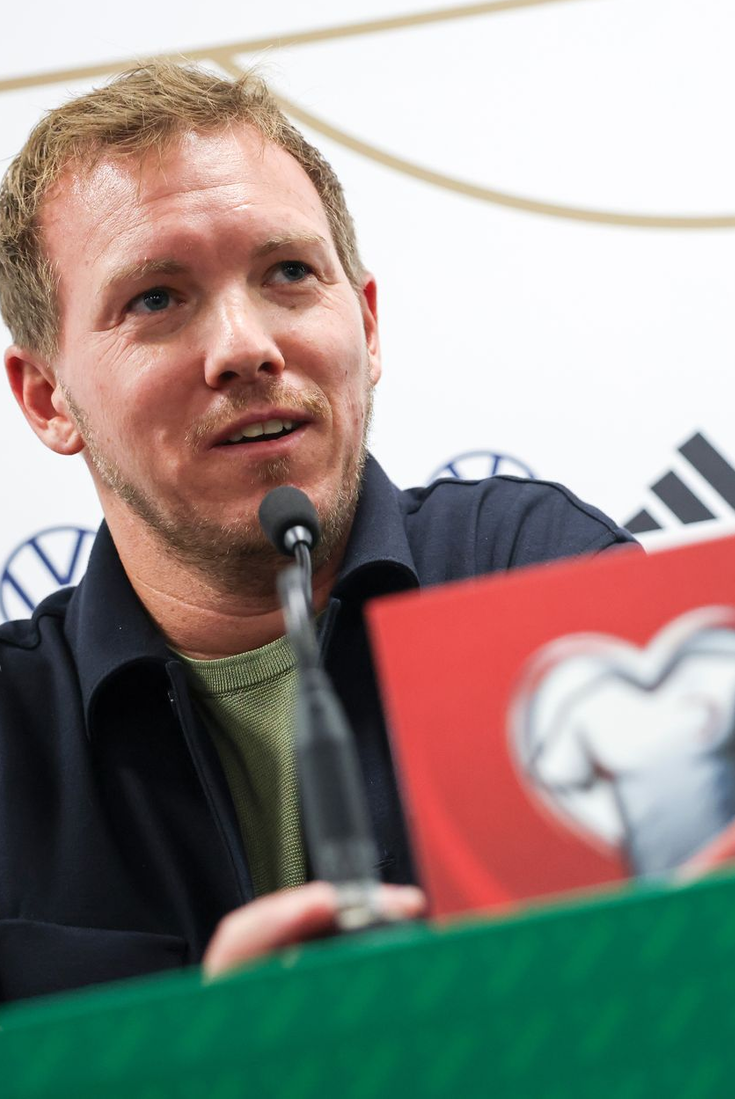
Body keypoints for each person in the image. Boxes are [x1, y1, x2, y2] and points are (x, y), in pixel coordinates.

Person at [0, 62, 636, 1003]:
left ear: (368, 326)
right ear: (49, 398)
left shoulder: (528, 572)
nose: (246, 347)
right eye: (157, 300)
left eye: (289, 273)